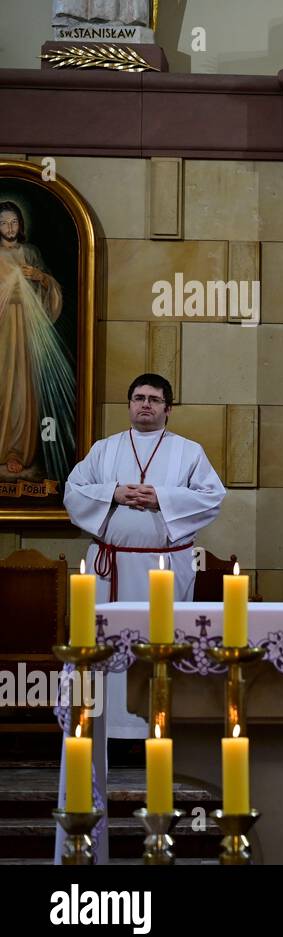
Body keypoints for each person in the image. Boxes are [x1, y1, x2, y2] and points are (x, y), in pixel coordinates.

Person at [58, 371, 225, 860]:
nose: (145, 405)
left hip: (164, 572)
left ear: (169, 408)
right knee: (108, 658)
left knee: (159, 652)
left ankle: (157, 733)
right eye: (138, 398)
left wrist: (161, 497)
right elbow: (74, 489)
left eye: (154, 399)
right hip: (111, 569)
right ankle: (110, 735)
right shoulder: (106, 449)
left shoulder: (188, 452)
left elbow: (214, 496)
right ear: (129, 404)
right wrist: (112, 494)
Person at [0, 200, 76, 482]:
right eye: (4, 222)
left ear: (21, 225)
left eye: (14, 222)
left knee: (22, 391)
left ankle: (16, 452)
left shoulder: (30, 253)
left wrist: (41, 277)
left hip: (27, 331)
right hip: (3, 331)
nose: (9, 228)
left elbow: (51, 292)